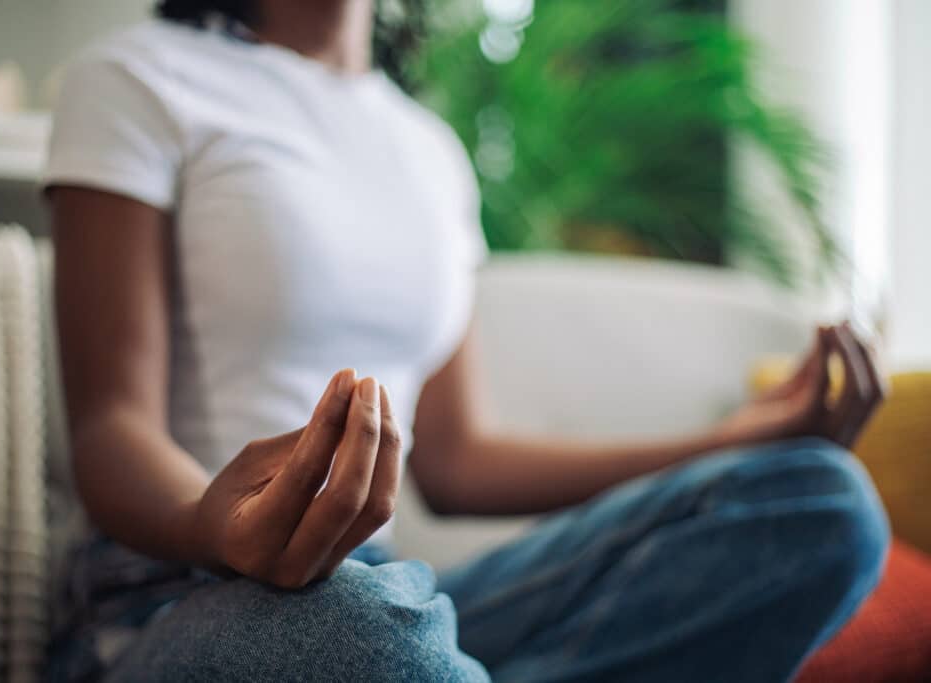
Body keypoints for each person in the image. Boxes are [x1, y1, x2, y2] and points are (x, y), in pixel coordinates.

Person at [45, 1, 889, 681]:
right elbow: (111, 427)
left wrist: (735, 442)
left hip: (389, 590)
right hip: (169, 601)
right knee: (369, 637)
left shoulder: (429, 149)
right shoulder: (135, 78)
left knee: (819, 504)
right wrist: (214, 526)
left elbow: (454, 459)